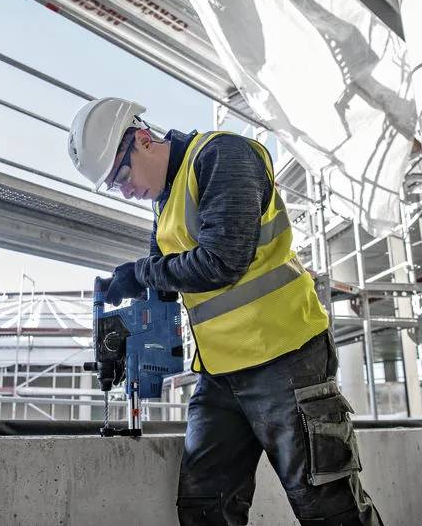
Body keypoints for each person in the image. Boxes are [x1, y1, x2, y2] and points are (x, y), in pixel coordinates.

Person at [68, 97, 382, 526]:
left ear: (142, 140)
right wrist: (123, 335)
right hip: (220, 375)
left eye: (121, 175)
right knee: (204, 508)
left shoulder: (221, 156)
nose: (125, 190)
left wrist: (141, 273)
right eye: (113, 186)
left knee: (328, 507)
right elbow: (164, 283)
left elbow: (222, 260)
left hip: (285, 357)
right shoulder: (164, 208)